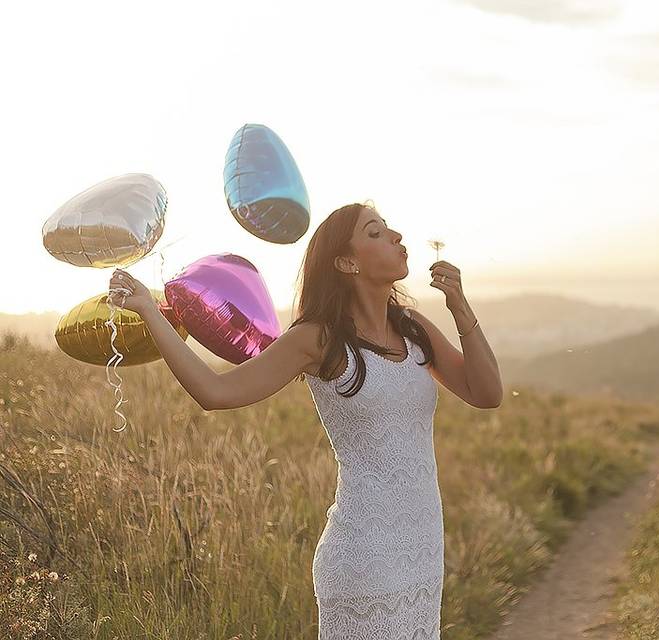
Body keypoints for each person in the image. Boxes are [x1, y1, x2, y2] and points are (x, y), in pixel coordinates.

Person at [109, 202, 502, 639]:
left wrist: (461, 309)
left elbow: (486, 394)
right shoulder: (317, 338)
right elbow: (214, 393)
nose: (396, 238)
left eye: (390, 230)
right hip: (363, 559)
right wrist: (148, 310)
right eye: (375, 233)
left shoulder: (413, 329)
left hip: (422, 551)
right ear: (347, 262)